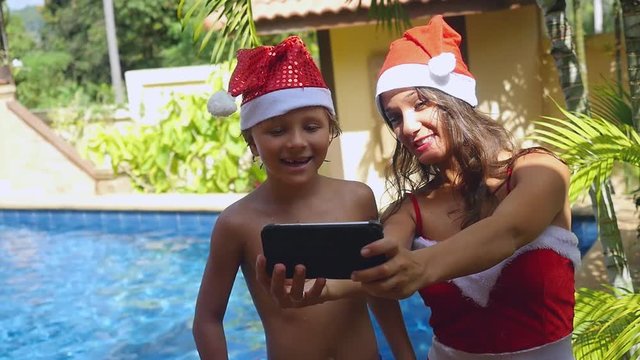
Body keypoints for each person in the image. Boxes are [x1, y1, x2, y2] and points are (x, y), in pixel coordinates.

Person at [258, 16, 581, 360]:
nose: (407, 127)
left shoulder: (539, 169)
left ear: (455, 98)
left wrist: (422, 266)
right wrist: (318, 290)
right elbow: (382, 267)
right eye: (394, 118)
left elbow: (509, 231)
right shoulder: (408, 211)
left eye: (420, 104)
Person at [193, 36, 415, 360]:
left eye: (311, 126)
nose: (297, 142)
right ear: (252, 142)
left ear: (331, 130)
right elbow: (207, 320)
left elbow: (378, 289)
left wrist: (405, 355)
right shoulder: (236, 223)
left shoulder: (357, 199)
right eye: (277, 131)